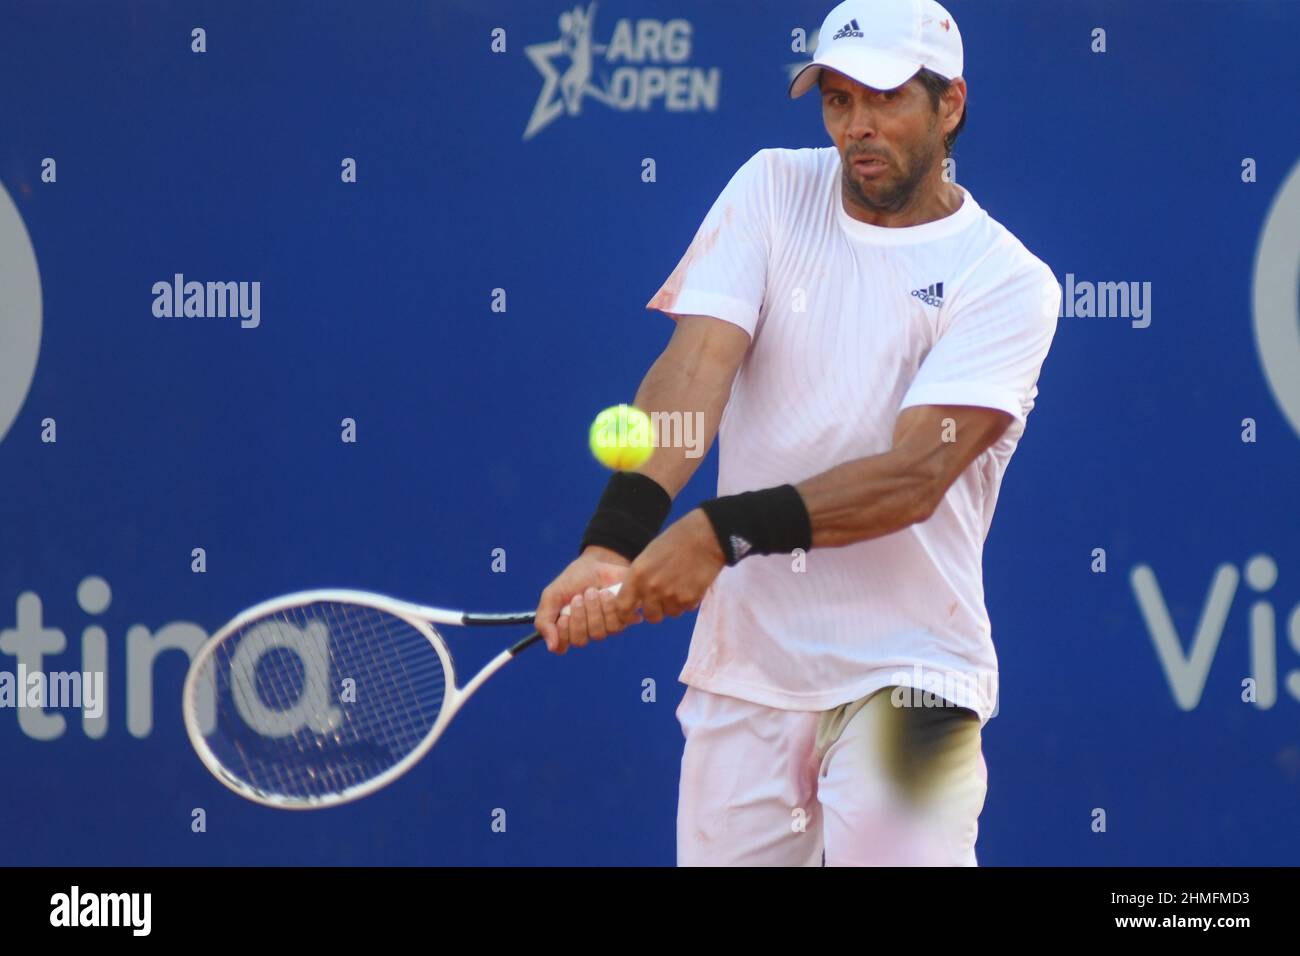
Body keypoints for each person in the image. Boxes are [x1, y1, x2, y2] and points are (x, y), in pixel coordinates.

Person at [534, 0, 1060, 866]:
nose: (858, 127)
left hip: (913, 679)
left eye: (886, 100)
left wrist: (720, 532)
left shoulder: (1008, 281)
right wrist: (612, 542)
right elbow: (694, 369)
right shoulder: (771, 187)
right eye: (838, 101)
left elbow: (912, 478)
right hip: (747, 674)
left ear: (951, 104)